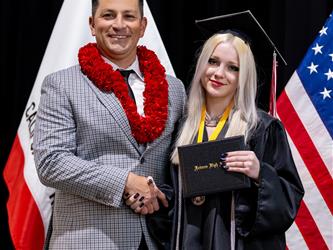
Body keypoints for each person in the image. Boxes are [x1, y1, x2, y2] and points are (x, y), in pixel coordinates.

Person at [33, 0, 186, 248]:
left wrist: (161, 194)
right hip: (88, 239)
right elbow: (51, 162)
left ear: (143, 25)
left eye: (129, 16)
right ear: (93, 25)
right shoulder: (62, 85)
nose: (119, 25)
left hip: (157, 238)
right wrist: (124, 181)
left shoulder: (175, 89)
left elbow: (177, 164)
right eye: (108, 15)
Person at [170, 11, 304, 250]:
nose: (219, 73)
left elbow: (289, 199)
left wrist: (260, 174)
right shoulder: (183, 127)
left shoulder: (262, 129)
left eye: (233, 67)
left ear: (244, 76)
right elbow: (170, 196)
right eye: (213, 62)